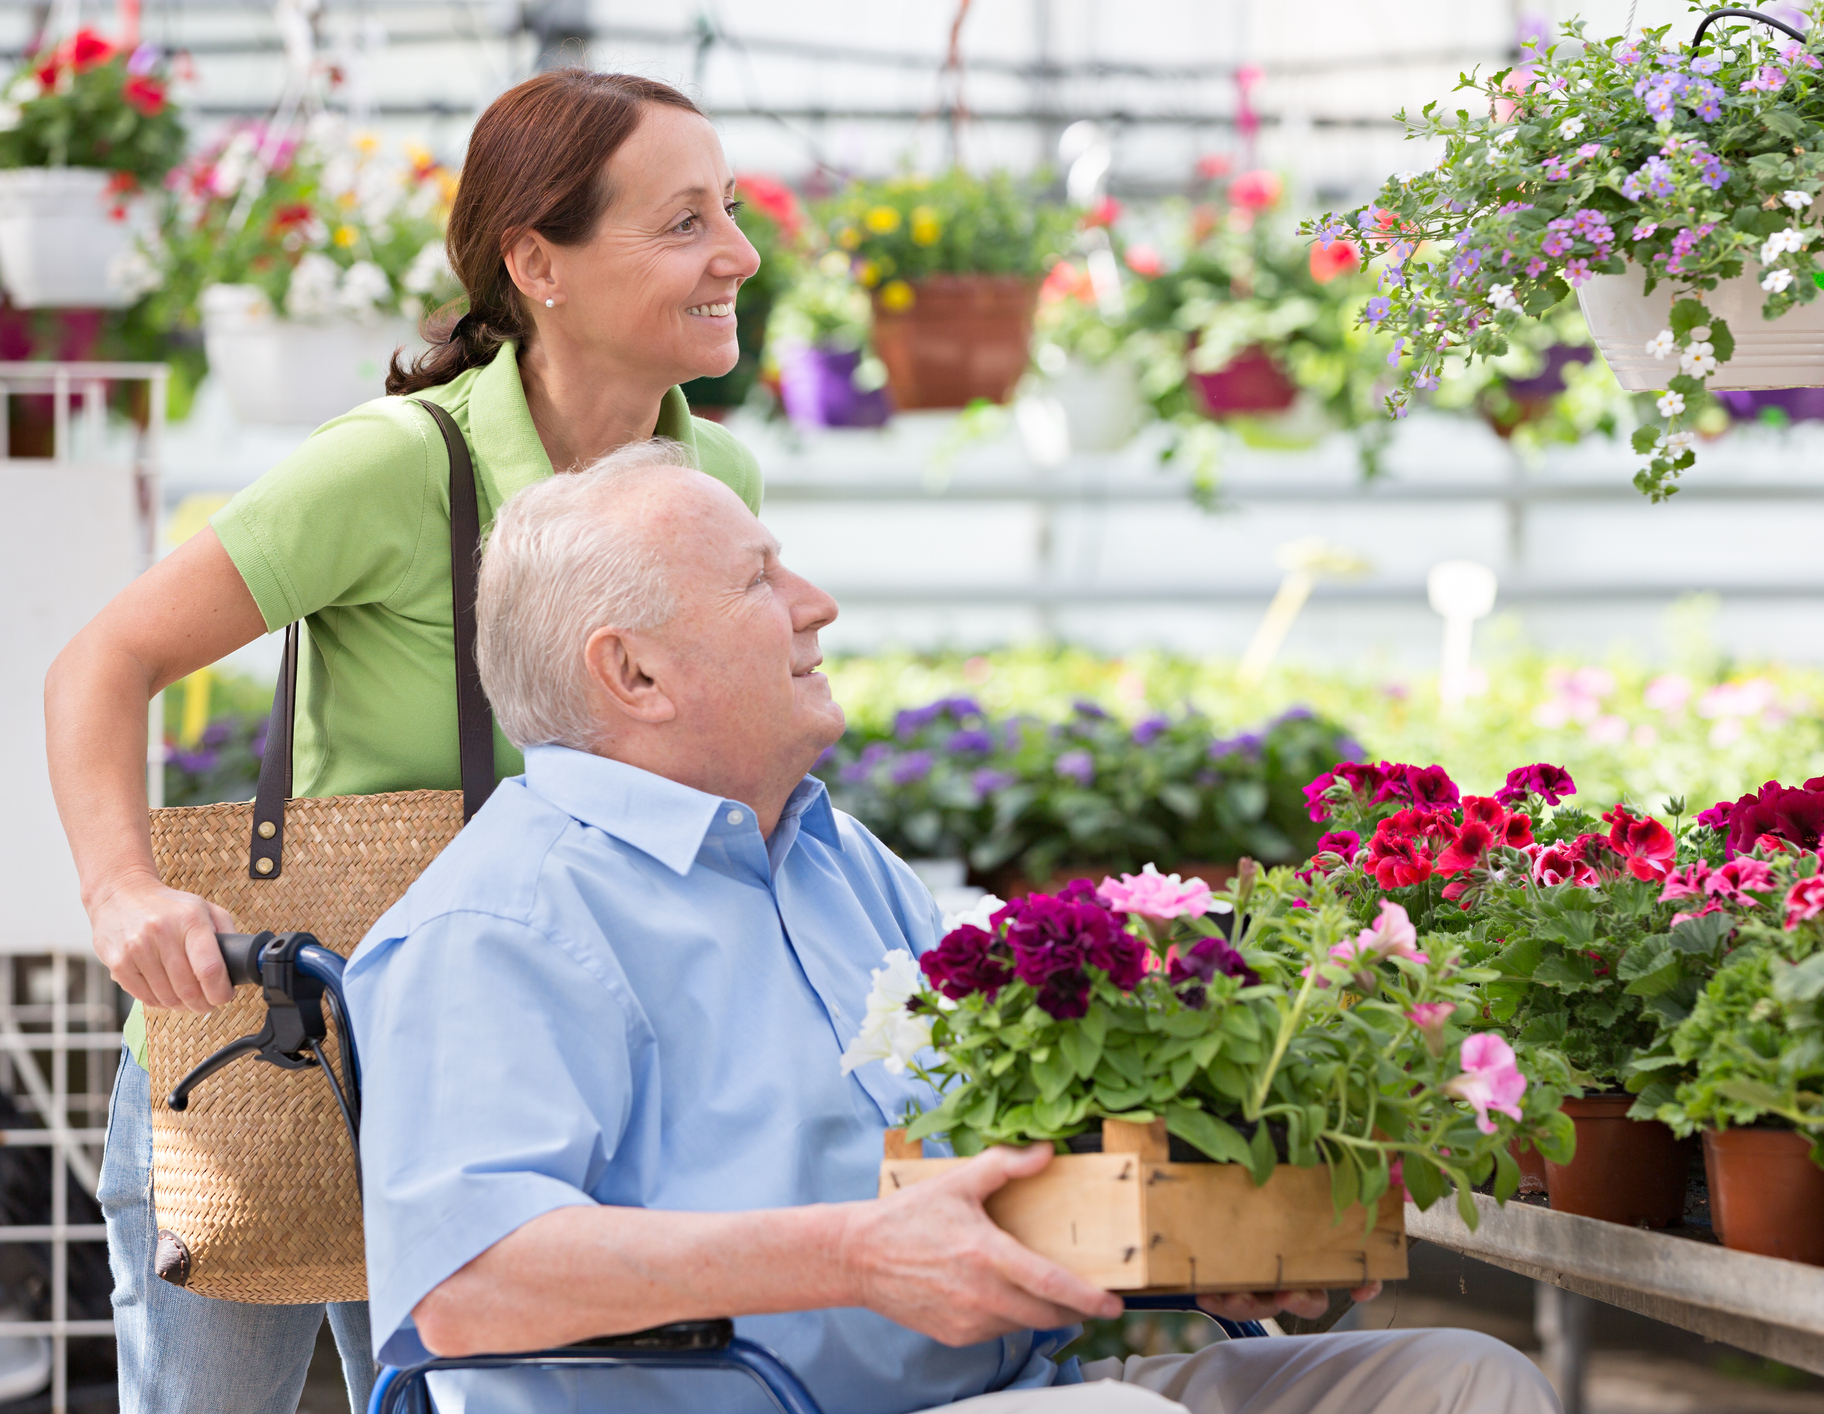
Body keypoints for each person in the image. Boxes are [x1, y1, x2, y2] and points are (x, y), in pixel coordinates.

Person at [347, 444, 1560, 1414]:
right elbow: (466, 1283)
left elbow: (997, 1144)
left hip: (1017, 1387)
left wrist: (1197, 1224)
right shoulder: (501, 919)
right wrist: (856, 1255)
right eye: (758, 579)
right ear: (636, 674)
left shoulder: (838, 860)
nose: (817, 602)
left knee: (1466, 1382)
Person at [43, 70, 766, 1414]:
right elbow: (104, 658)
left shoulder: (712, 485)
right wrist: (120, 888)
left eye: (728, 210)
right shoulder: (392, 465)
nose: (738, 253)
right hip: (274, 1054)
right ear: (535, 259)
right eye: (684, 221)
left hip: (514, 1068)